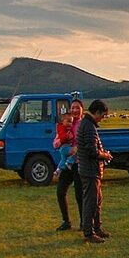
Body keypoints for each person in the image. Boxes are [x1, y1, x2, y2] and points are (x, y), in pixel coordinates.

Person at [77, 100, 113, 243]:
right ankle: (89, 232)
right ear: (97, 112)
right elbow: (92, 151)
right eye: (102, 115)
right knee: (91, 202)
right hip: (90, 170)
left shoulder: (86, 124)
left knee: (96, 201)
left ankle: (97, 228)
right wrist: (105, 155)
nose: (102, 118)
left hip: (89, 170)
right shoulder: (89, 127)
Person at [52, 99, 85, 231]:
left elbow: (87, 141)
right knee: (60, 192)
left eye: (78, 108)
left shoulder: (84, 124)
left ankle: (84, 222)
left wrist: (76, 149)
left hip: (78, 163)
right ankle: (66, 221)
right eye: (73, 108)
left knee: (79, 194)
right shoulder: (65, 123)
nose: (75, 110)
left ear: (82, 109)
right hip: (67, 164)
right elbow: (55, 142)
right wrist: (60, 142)